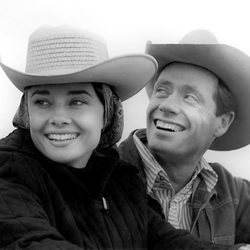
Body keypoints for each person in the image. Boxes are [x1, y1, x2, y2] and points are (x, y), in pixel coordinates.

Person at [0, 25, 244, 250]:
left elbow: (167, 240)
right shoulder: (10, 172)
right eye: (42, 102)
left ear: (106, 112)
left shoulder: (119, 180)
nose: (58, 117)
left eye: (77, 102)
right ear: (27, 111)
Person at [119, 29, 250, 246]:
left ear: (223, 122)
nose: (167, 105)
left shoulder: (233, 193)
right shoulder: (102, 175)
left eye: (190, 97)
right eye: (161, 90)